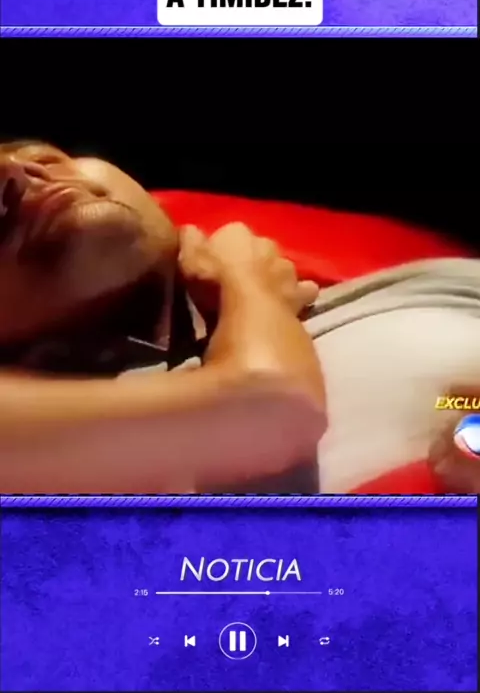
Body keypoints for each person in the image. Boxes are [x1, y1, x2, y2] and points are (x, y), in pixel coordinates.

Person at [1, 140, 479, 494]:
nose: (16, 169)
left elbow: (453, 401)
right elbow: (269, 411)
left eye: (39, 153)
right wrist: (245, 281)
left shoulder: (425, 287)